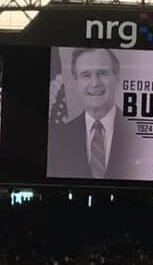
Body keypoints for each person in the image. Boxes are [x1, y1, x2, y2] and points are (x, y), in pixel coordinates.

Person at [46, 48, 138, 179]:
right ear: (76, 81)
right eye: (86, 75)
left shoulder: (139, 134)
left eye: (102, 73)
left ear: (117, 76)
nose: (95, 83)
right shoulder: (56, 140)